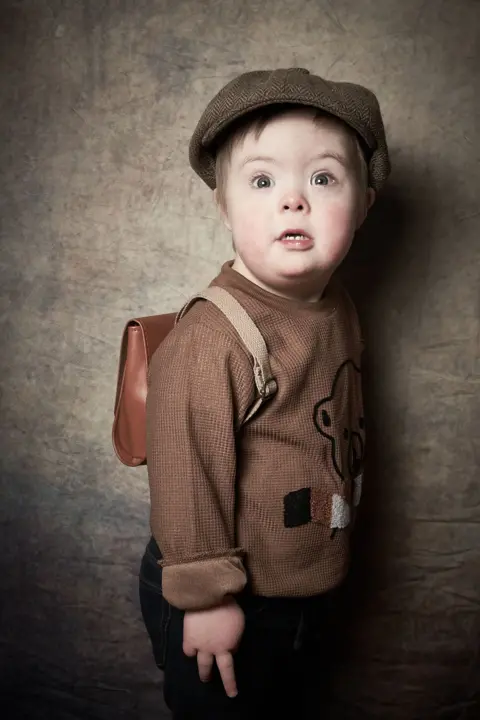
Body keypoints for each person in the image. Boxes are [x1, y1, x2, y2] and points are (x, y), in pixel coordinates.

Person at [139, 67, 391, 719]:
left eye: (323, 178)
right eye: (262, 180)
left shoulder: (335, 307)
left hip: (302, 581)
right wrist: (206, 598)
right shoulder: (214, 337)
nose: (293, 200)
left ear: (364, 203)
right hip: (225, 589)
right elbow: (186, 471)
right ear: (223, 204)